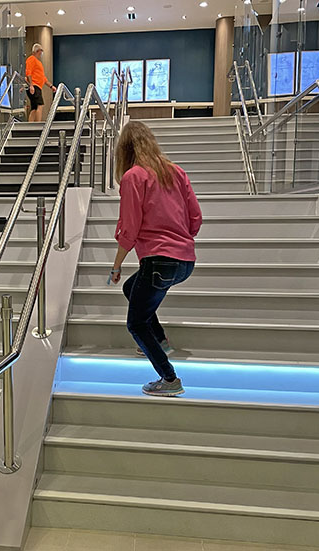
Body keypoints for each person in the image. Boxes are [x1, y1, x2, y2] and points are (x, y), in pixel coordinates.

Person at [109, 121, 202, 397]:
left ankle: (169, 378)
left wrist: (116, 265)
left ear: (125, 150)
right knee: (132, 288)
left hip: (159, 262)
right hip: (185, 262)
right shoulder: (176, 172)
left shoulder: (134, 177)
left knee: (136, 324)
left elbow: (129, 228)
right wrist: (178, 239)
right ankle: (160, 339)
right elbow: (195, 219)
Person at [25, 43, 57, 122]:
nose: (41, 53)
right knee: (40, 105)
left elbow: (43, 78)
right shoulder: (31, 59)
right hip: (34, 86)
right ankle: (37, 124)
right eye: (41, 51)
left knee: (34, 108)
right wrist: (31, 85)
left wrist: (51, 86)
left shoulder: (38, 63)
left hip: (37, 86)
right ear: (37, 51)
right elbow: (28, 73)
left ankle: (30, 125)